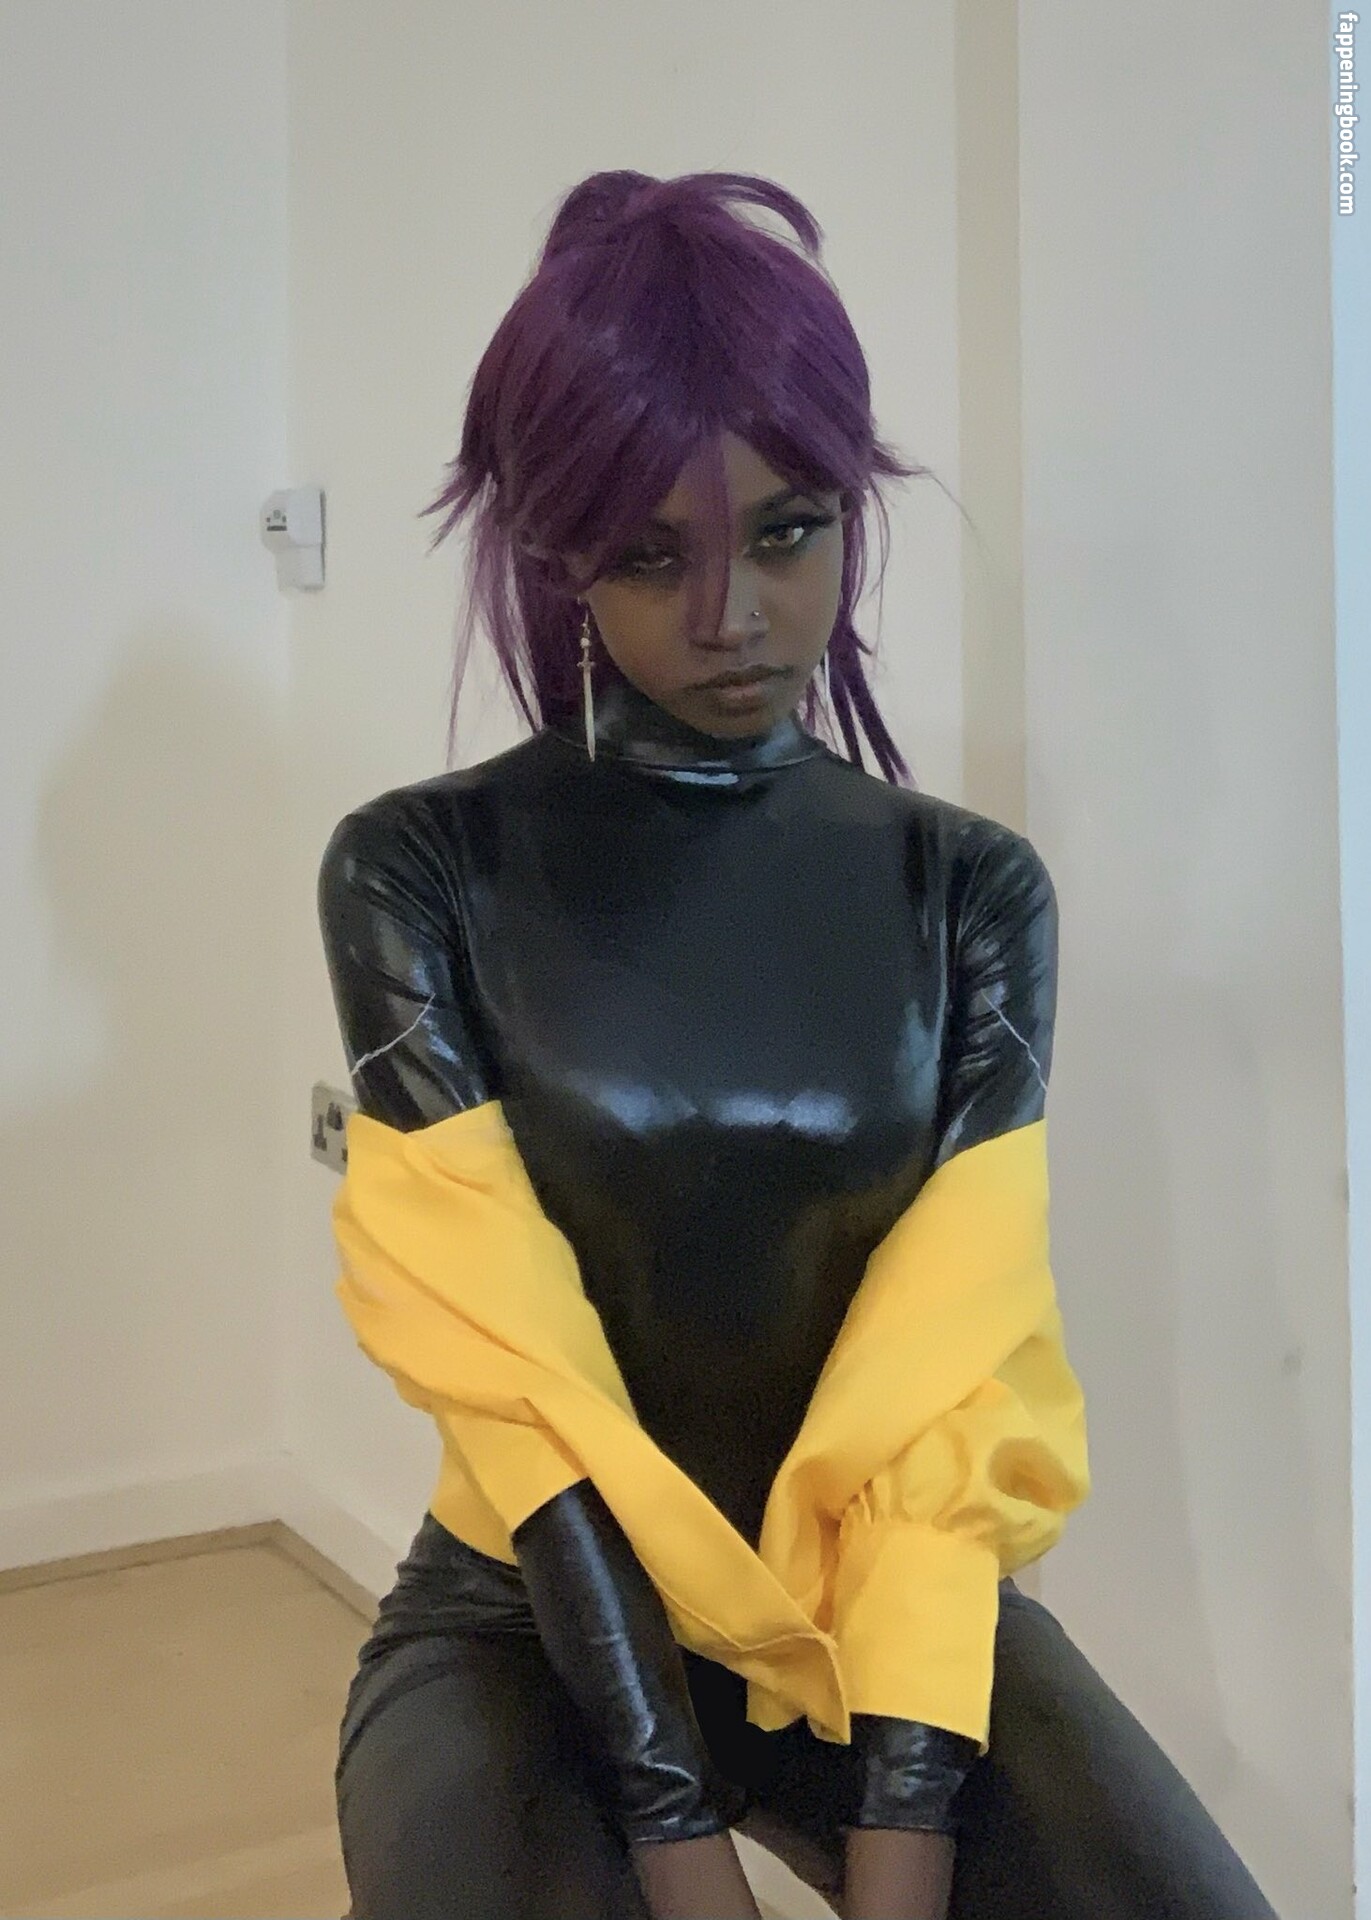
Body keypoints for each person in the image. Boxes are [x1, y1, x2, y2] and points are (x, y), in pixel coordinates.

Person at [318, 170, 1278, 1920]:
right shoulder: (418, 871)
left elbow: (944, 1376)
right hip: (529, 1619)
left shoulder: (968, 890)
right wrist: (670, 1818)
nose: (732, 613)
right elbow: (520, 1379)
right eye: (650, 555)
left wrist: (907, 1817)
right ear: (555, 548)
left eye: (787, 531)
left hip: (880, 1605)